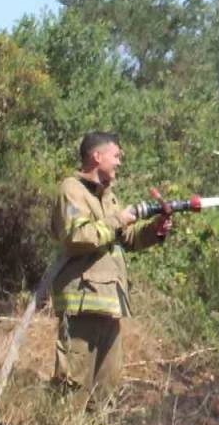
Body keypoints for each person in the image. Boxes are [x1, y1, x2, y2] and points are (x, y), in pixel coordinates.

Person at [50, 132, 171, 407]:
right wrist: (119, 218)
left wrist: (155, 230)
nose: (119, 163)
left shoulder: (109, 197)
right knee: (72, 390)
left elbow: (126, 238)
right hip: (82, 305)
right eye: (116, 156)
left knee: (105, 392)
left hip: (110, 306)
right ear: (97, 156)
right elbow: (78, 237)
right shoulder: (72, 190)